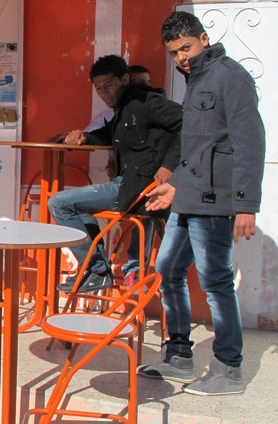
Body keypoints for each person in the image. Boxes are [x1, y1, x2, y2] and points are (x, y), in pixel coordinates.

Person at [139, 11, 266, 397]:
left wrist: (246, 204)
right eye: (175, 52)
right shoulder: (195, 80)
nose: (182, 57)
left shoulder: (231, 76)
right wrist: (174, 185)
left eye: (187, 47)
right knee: (167, 268)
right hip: (190, 196)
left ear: (204, 38)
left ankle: (229, 368)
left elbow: (249, 141)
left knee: (215, 281)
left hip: (216, 200)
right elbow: (199, 149)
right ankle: (179, 355)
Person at [48, 54, 183, 292]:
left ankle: (97, 270)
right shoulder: (125, 107)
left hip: (137, 189)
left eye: (109, 85)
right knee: (70, 204)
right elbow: (108, 133)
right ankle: (97, 269)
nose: (104, 93)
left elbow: (189, 123)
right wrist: (84, 137)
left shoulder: (145, 101)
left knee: (59, 202)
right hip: (129, 185)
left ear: (125, 78)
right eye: (99, 88)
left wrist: (169, 166)